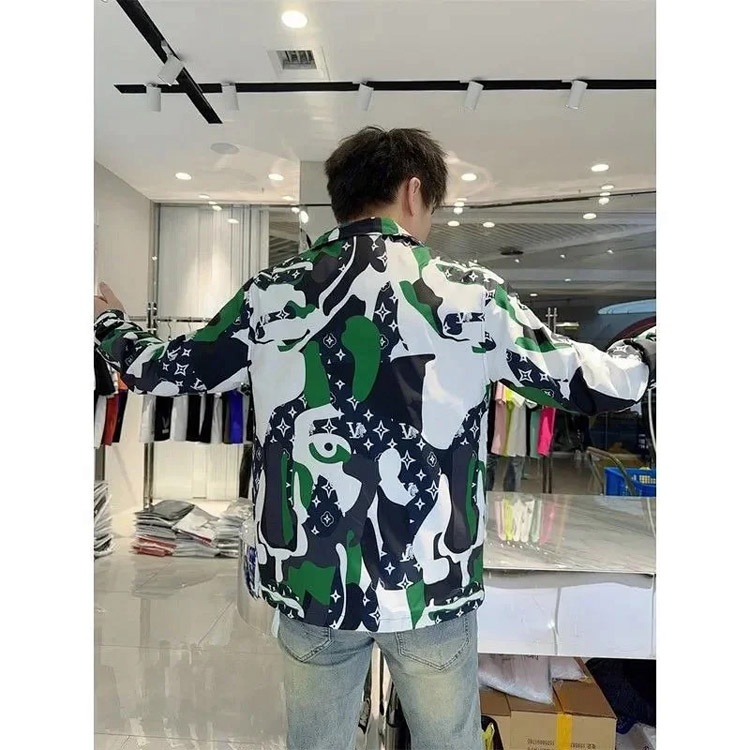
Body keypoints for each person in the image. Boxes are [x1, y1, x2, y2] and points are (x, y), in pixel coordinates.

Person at [94, 126, 656, 750]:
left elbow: (160, 370)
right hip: (430, 580)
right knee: (448, 742)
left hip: (312, 577)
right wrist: (648, 352)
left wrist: (108, 322)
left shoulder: (272, 294)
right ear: (414, 192)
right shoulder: (469, 295)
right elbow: (592, 383)